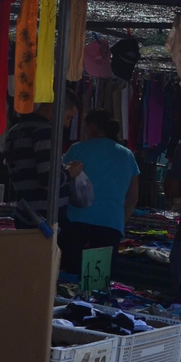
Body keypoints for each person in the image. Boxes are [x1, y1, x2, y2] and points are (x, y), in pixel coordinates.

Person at [60, 109, 141, 273]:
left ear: (93, 127)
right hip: (110, 225)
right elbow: (133, 197)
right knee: (96, 282)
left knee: (68, 278)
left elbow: (60, 181)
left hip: (76, 222)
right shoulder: (127, 155)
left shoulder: (78, 149)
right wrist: (120, 220)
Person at [4, 101, 91, 217]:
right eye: (68, 117)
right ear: (55, 108)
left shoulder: (14, 131)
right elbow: (47, 180)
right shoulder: (44, 131)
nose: (67, 124)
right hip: (44, 216)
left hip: (25, 211)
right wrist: (69, 172)